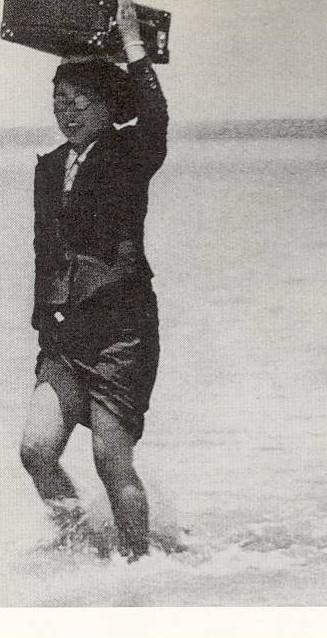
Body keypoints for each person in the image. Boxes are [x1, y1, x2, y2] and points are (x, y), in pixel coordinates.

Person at [19, 0, 168, 562]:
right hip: (64, 334)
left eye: (79, 101)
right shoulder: (49, 167)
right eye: (59, 101)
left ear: (108, 105)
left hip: (121, 336)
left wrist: (133, 44)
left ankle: (138, 567)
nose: (67, 111)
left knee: (111, 461)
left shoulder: (130, 155)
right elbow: (45, 251)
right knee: (36, 451)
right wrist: (43, 317)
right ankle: (79, 541)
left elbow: (155, 118)